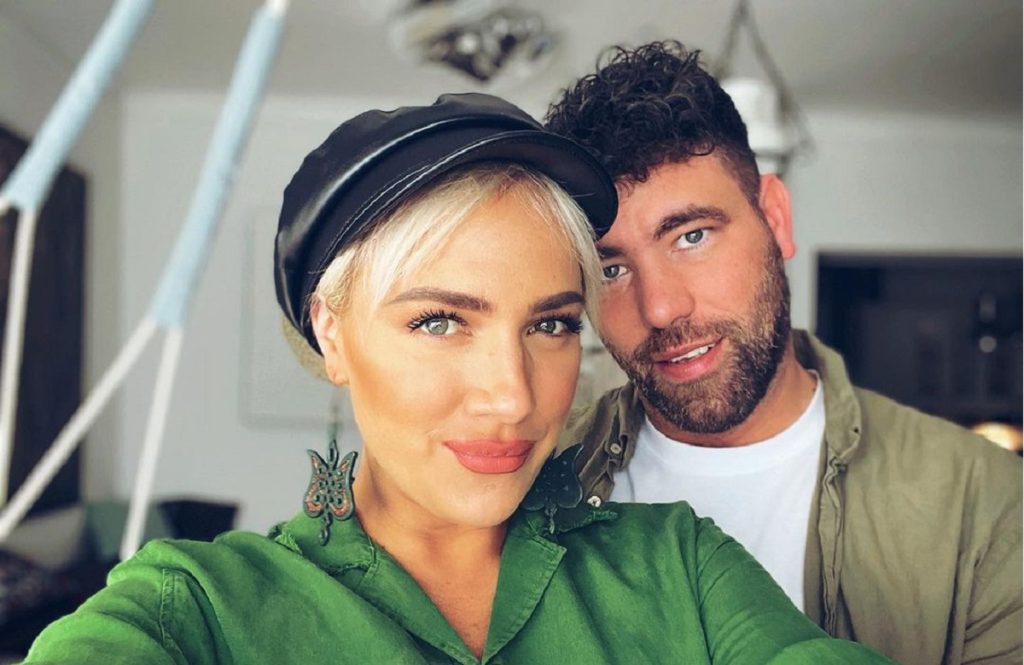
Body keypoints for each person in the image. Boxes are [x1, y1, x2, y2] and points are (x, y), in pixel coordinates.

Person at [21, 93, 891, 664]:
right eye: (440, 320)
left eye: (550, 324)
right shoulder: (194, 609)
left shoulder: (681, 566)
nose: (513, 395)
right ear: (332, 332)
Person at [545, 41, 1023, 665]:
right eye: (610, 268)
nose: (660, 308)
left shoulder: (983, 504)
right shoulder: (537, 487)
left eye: (691, 236)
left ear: (775, 218)